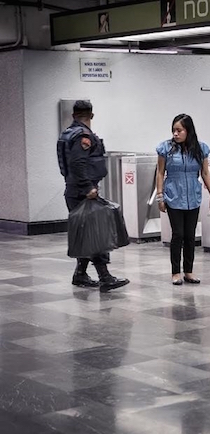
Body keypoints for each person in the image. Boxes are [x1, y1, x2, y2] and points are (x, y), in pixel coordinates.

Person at [57, 100, 130, 292]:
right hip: (83, 192)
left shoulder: (67, 134)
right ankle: (105, 277)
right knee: (96, 233)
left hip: (72, 189)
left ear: (73, 115)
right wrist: (88, 187)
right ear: (92, 115)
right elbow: (78, 163)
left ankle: (80, 274)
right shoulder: (83, 136)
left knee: (85, 233)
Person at [156, 114, 210, 285]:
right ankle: (175, 272)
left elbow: (205, 173)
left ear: (188, 131)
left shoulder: (200, 149)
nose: (175, 134)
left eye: (179, 130)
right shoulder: (165, 148)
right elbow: (160, 173)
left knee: (190, 235)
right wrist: (160, 196)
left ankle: (188, 271)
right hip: (173, 195)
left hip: (193, 196)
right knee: (178, 234)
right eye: (174, 130)